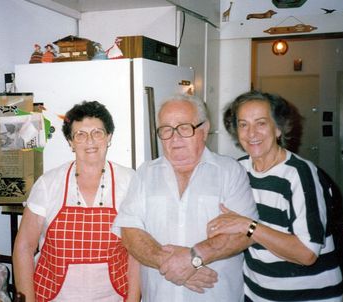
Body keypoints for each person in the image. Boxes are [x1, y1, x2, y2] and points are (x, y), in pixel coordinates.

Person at [112, 94, 258, 302]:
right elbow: (130, 233)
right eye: (166, 130)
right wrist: (177, 265)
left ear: (204, 130)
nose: (174, 138)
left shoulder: (230, 171)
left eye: (184, 127)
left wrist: (194, 258)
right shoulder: (145, 173)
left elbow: (244, 234)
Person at [207, 90, 343, 301]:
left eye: (261, 123)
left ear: (278, 128)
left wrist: (248, 226)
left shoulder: (300, 174)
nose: (251, 133)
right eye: (243, 124)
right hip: (257, 294)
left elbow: (306, 254)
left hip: (309, 297)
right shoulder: (237, 170)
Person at [13, 101, 140, 302]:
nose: (90, 141)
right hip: (53, 297)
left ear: (109, 137)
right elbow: (24, 247)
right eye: (80, 135)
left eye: (97, 133)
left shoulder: (130, 181)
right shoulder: (48, 183)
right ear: (71, 142)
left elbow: (136, 253)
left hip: (114, 297)